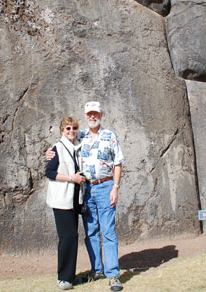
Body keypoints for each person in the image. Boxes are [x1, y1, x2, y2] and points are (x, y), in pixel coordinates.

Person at [79, 101, 125, 292]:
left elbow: (118, 163)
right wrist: (50, 153)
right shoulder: (79, 137)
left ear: (101, 115)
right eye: (89, 114)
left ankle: (113, 274)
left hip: (105, 186)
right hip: (87, 189)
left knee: (108, 230)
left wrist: (115, 187)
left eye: (95, 114)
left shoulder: (110, 136)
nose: (92, 117)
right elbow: (62, 147)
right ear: (85, 115)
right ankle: (96, 270)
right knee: (91, 231)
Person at [45, 117, 86, 290]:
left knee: (72, 237)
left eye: (74, 128)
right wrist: (72, 178)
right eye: (68, 128)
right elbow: (49, 172)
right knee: (67, 237)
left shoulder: (79, 146)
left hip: (74, 200)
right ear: (62, 130)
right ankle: (63, 278)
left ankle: (69, 277)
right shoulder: (57, 148)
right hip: (62, 200)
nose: (71, 131)